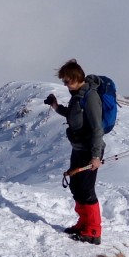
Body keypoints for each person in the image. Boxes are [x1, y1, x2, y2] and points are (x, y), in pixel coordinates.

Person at [44, 59, 105, 244]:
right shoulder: (77, 94)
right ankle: (84, 224)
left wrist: (95, 156)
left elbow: (97, 128)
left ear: (76, 78)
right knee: (76, 187)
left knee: (86, 190)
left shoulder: (90, 96)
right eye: (64, 81)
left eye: (67, 80)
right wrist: (56, 106)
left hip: (89, 151)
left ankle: (93, 231)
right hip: (78, 149)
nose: (65, 84)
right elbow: (74, 117)